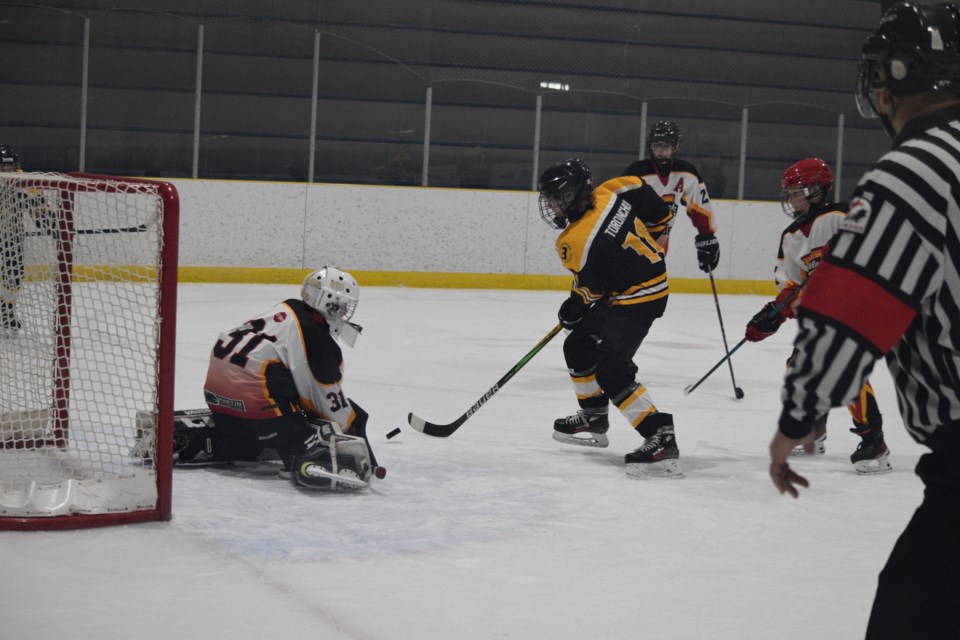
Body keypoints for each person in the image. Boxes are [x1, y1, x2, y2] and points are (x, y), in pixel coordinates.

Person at [768, 4, 960, 637]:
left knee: (911, 614)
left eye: (881, 74)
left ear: (901, 78)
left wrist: (797, 420)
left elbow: (850, 313)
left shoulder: (913, 173)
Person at [746, 157, 891, 473]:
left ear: (817, 190)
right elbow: (794, 284)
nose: (793, 200)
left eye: (798, 193)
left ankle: (874, 442)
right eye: (790, 194)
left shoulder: (844, 216)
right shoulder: (791, 235)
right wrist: (773, 313)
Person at [537, 158, 680, 477]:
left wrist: (570, 312)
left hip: (640, 299)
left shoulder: (573, 240)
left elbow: (588, 291)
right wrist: (652, 234)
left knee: (611, 369)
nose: (550, 206)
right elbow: (653, 203)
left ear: (570, 196)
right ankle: (594, 416)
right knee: (577, 347)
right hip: (626, 289)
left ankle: (661, 435)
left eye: (553, 199)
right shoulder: (613, 189)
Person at [177, 267, 379, 490]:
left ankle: (224, 441)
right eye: (342, 305)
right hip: (254, 397)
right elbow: (324, 400)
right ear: (328, 301)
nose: (343, 312)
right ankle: (298, 454)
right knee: (309, 436)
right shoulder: (314, 334)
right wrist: (353, 425)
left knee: (248, 443)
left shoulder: (287, 309)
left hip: (217, 395)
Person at [623, 120, 720, 274]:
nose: (660, 151)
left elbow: (700, 205)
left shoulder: (687, 173)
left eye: (665, 146)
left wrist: (707, 236)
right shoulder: (636, 172)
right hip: (629, 241)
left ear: (676, 147)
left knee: (649, 285)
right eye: (657, 146)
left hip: (660, 243)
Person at [0, 144, 52, 334]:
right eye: (3, 168)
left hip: (12, 236)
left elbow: (39, 211)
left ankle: (8, 312)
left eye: (11, 168)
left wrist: (52, 225)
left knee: (13, 277)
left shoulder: (25, 183)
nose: (7, 172)